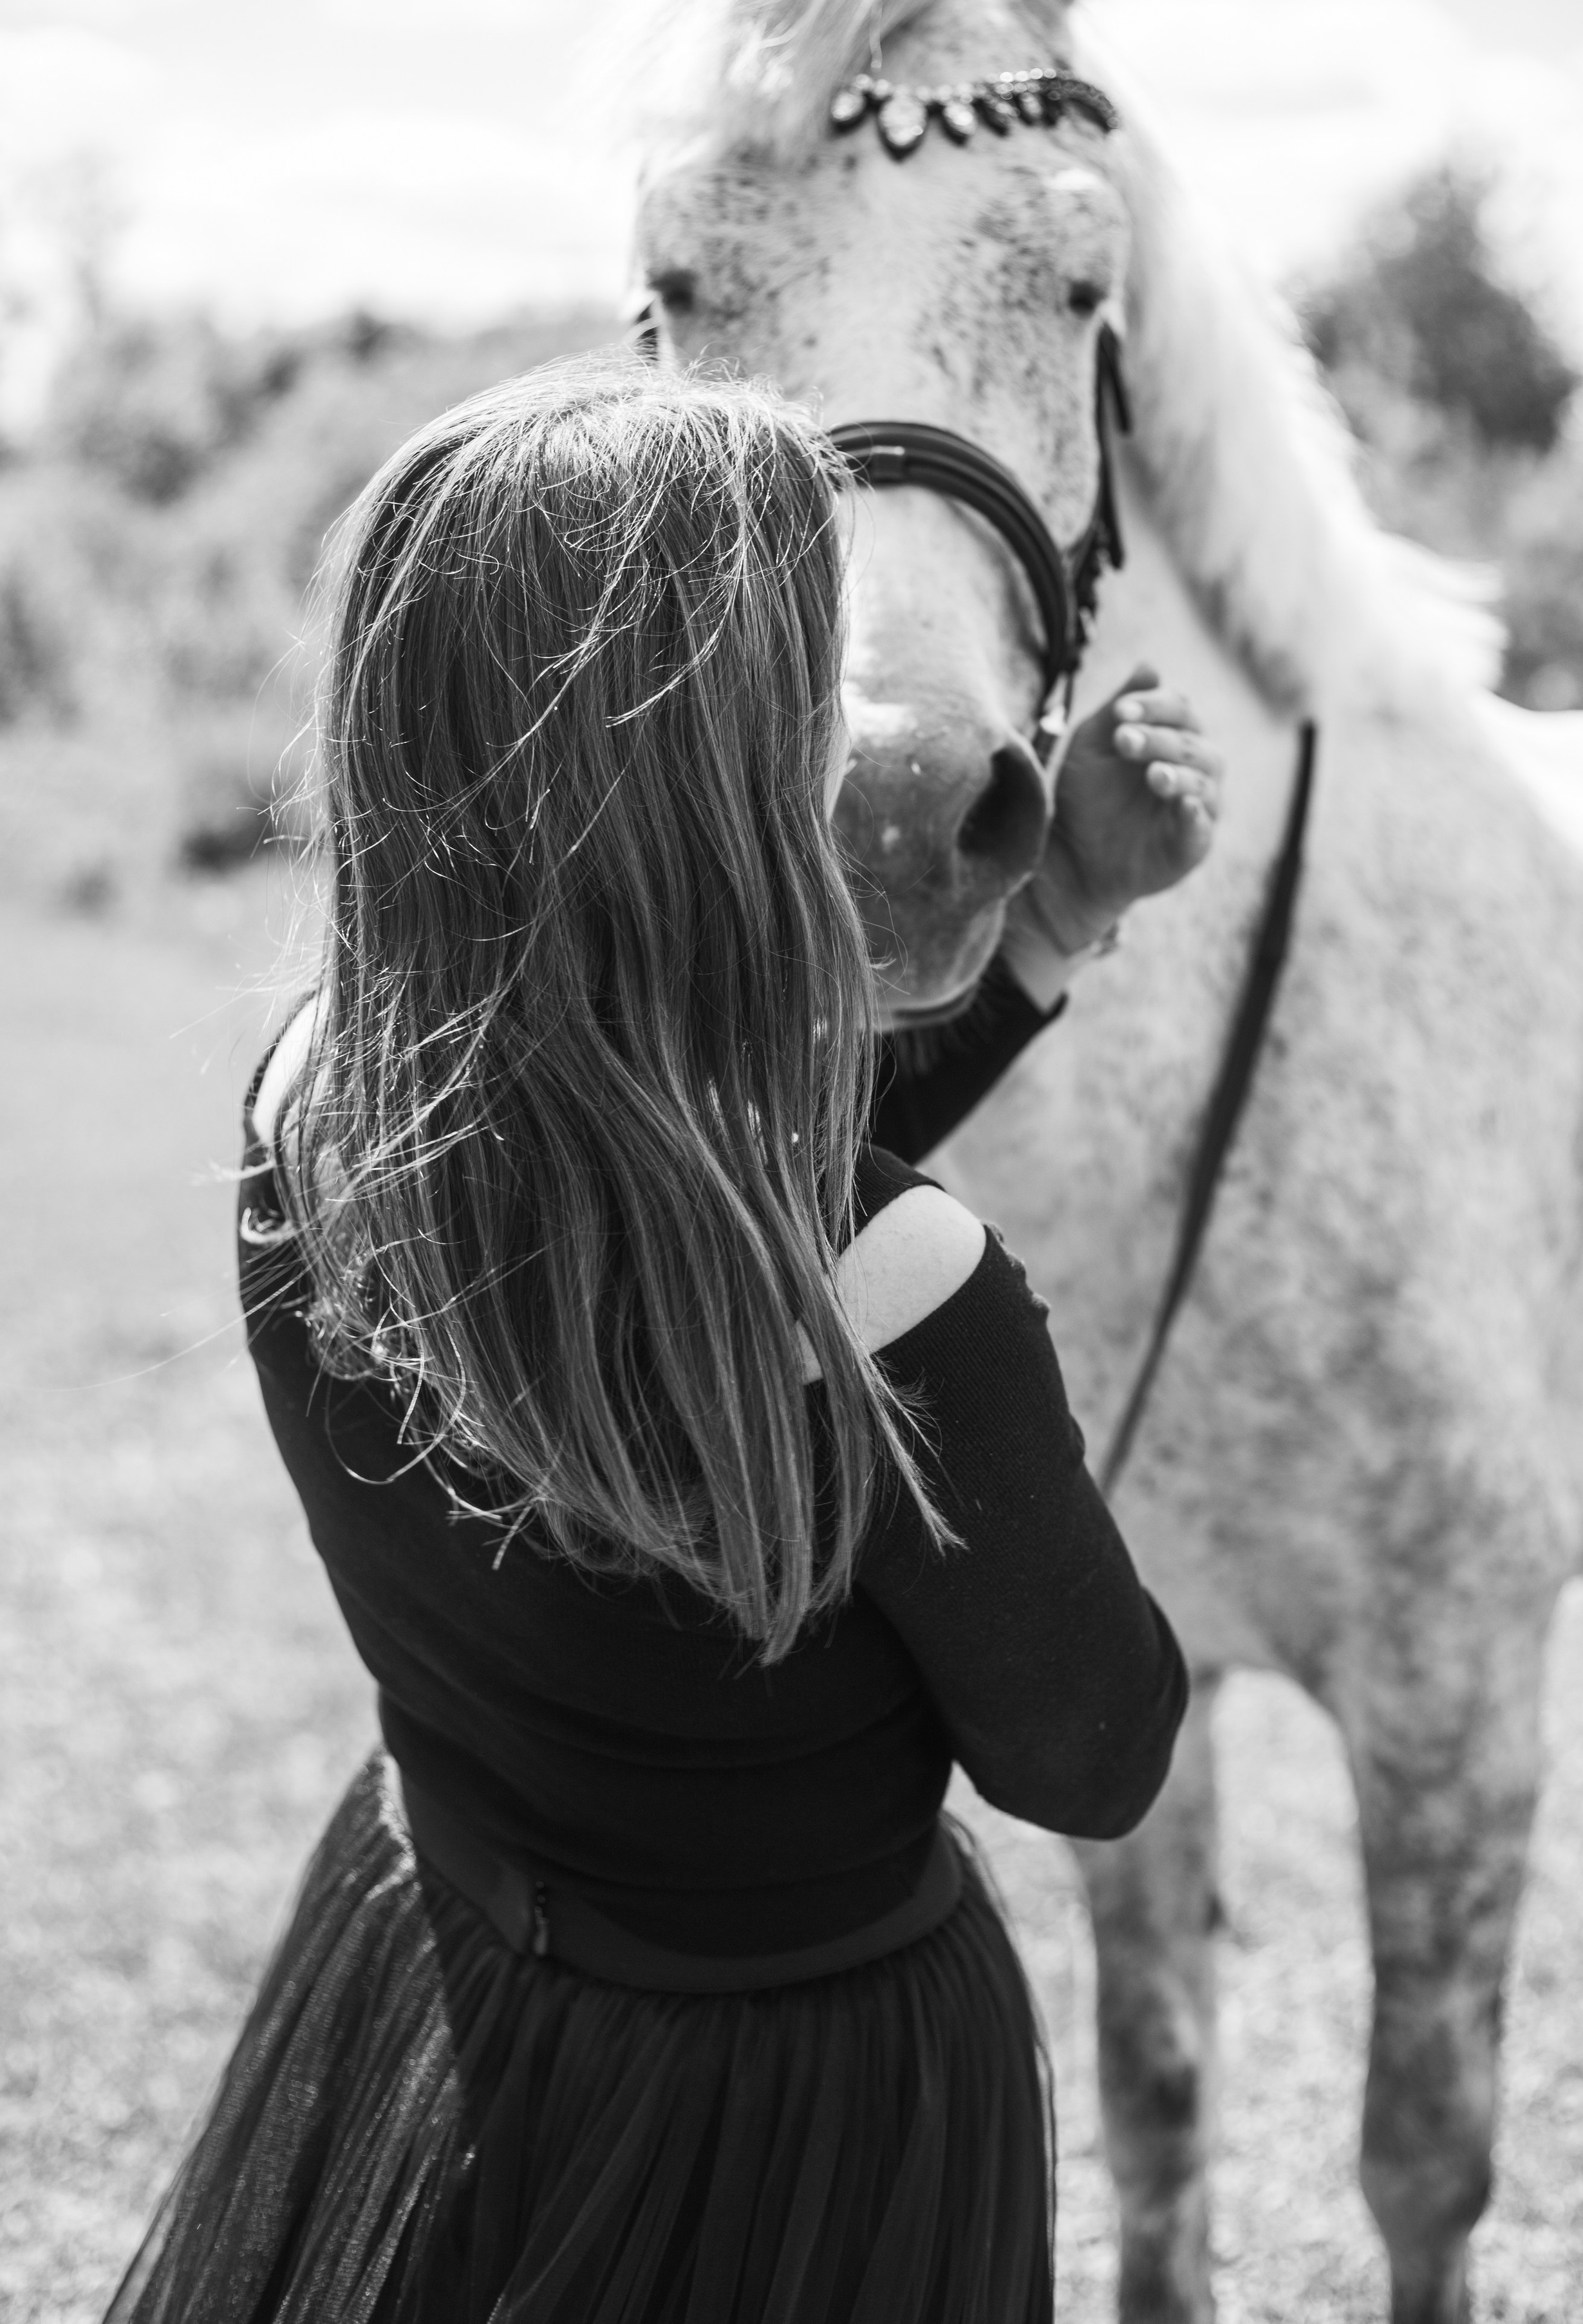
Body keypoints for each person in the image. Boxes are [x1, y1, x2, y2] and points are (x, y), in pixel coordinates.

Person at [107, 360, 1222, 2324]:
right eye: (810, 679)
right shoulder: (910, 1289)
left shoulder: (320, 1104)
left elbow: (688, 1196)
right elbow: (1094, 1750)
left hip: (438, 1947)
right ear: (711, 768)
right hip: (793, 2098)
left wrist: (1048, 925)